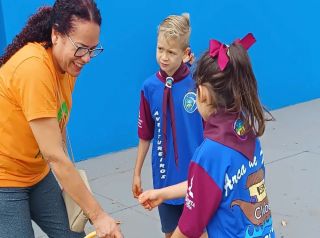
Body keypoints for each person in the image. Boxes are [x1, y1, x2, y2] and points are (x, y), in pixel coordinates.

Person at [0, 1, 122, 237]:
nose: (86, 58)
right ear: (56, 34)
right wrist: (98, 215)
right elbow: (54, 155)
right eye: (81, 48)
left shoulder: (67, 66)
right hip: (5, 178)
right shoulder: (33, 68)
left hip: (37, 173)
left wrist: (71, 182)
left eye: (93, 49)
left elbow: (58, 125)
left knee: (72, 233)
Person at [138, 33, 276, 238]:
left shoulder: (210, 152)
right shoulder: (245, 129)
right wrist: (163, 193)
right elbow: (208, 183)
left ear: (201, 94)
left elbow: (188, 229)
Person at [132, 14, 204, 238]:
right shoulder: (149, 88)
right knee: (172, 234)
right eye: (160, 49)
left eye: (171, 52)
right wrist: (136, 173)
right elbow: (146, 135)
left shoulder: (199, 83)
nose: (163, 57)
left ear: (185, 53)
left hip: (198, 178)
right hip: (165, 181)